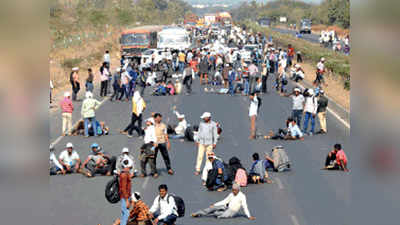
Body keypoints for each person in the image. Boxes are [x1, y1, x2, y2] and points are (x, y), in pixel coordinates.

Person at [191, 183, 256, 220]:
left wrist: (249, 216)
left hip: (232, 212)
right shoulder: (231, 194)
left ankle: (208, 214)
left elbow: (245, 207)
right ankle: (198, 213)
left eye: (235, 190)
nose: (233, 191)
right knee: (212, 208)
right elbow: (224, 201)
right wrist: (215, 204)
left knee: (216, 214)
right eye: (233, 190)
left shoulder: (242, 196)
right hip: (226, 207)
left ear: (238, 190)